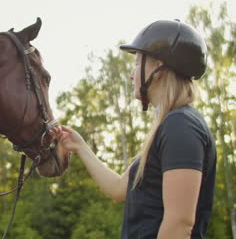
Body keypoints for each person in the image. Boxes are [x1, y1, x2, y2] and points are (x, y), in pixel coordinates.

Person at [52, 19, 216, 238]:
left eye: (137, 63)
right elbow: (119, 189)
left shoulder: (181, 125)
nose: (131, 74)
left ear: (158, 68)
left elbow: (179, 224)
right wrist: (80, 147)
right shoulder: (169, 126)